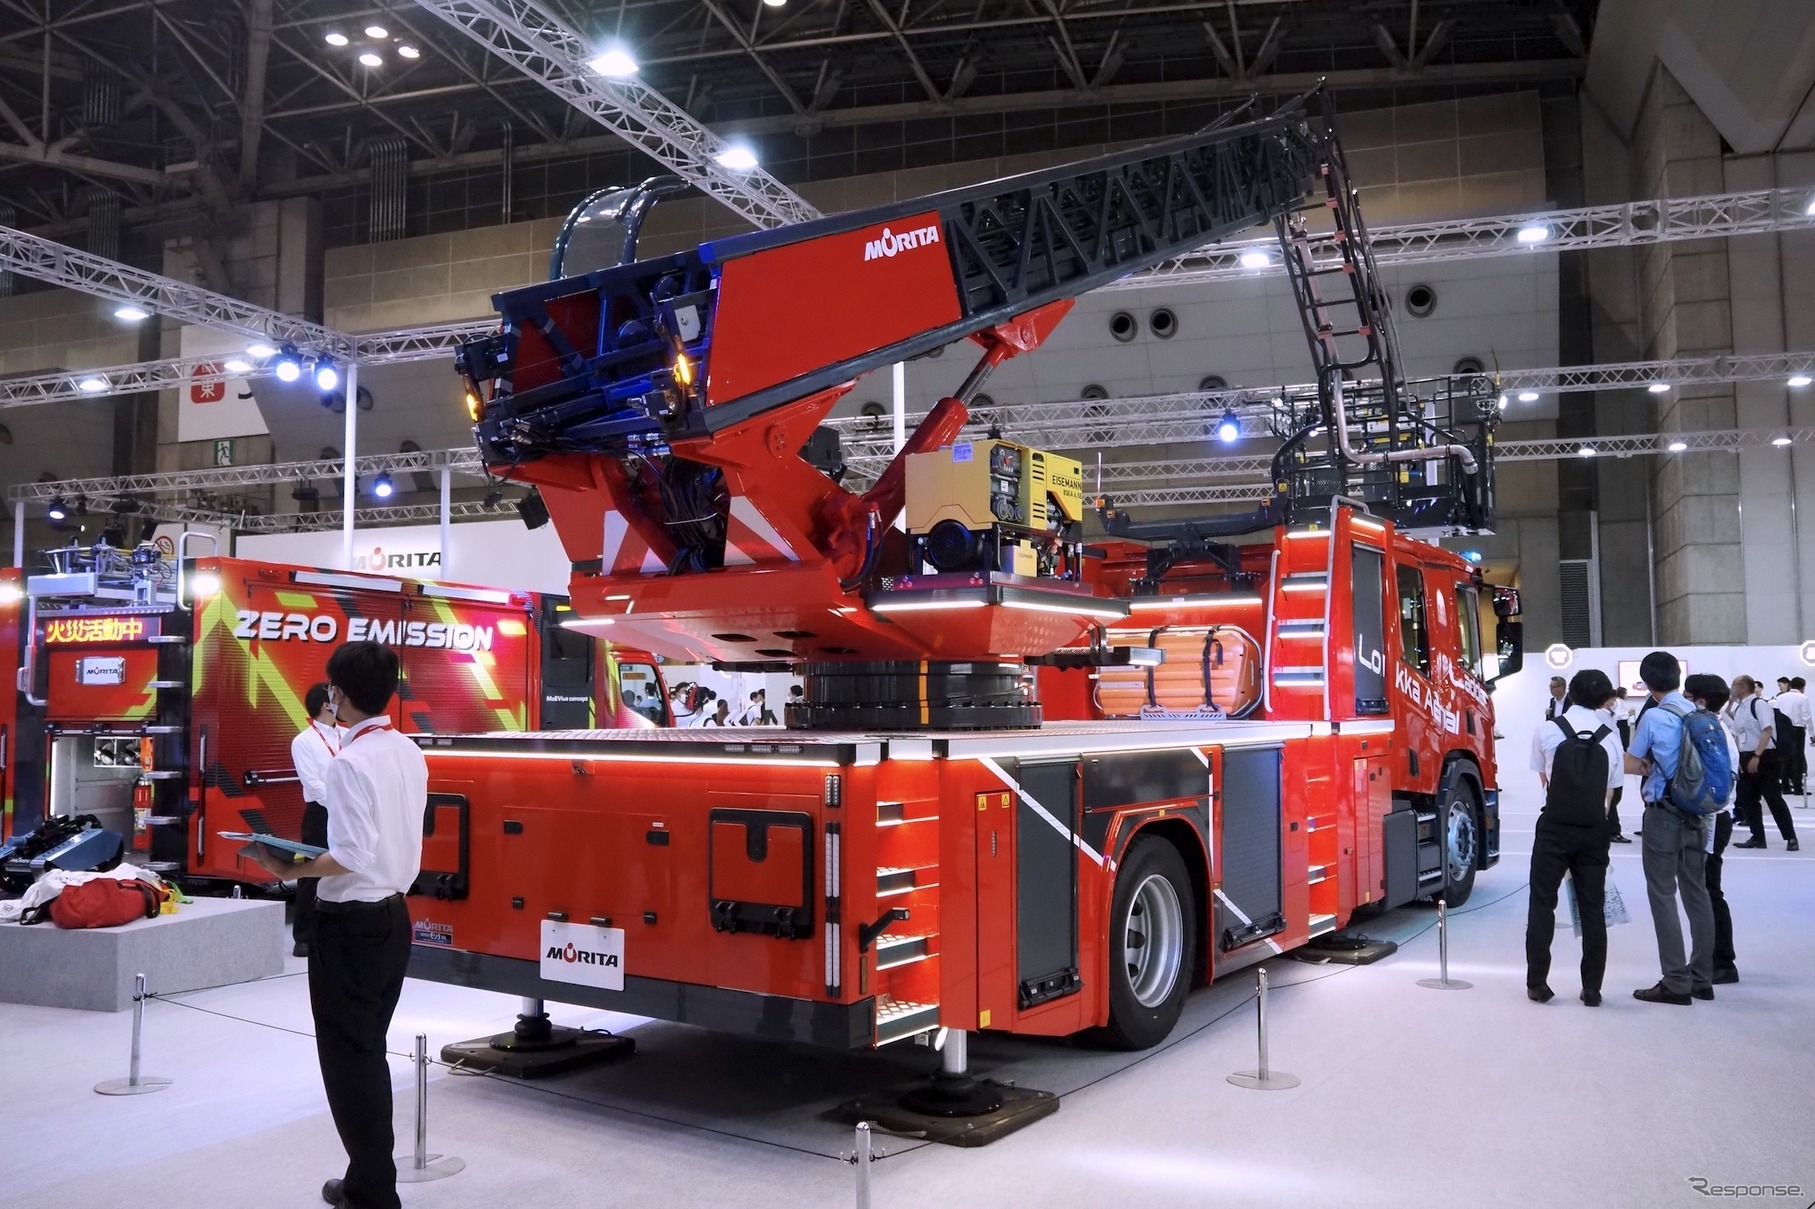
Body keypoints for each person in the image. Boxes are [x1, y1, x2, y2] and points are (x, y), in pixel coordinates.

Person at [247, 642, 427, 1209]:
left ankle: (372, 1192)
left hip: (349, 925)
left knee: (350, 1062)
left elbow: (348, 854)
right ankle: (366, 1179)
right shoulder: (407, 750)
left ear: (337, 694)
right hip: (394, 916)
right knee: (366, 1052)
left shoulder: (350, 762)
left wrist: (285, 865)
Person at [1623, 650, 1716, 1005]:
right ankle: (1702, 977)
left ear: (1647, 684)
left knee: (1662, 893)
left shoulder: (1655, 718)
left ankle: (1676, 980)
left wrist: (1647, 768)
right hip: (1699, 812)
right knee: (1697, 891)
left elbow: (1631, 763)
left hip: (1663, 812)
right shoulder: (1701, 714)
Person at [1527, 668, 1624, 1006]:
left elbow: (1544, 778)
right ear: (1605, 699)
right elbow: (1610, 793)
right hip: (1593, 829)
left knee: (1542, 903)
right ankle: (1592, 988)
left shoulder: (1548, 730)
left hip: (1554, 826)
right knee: (1592, 908)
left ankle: (1537, 983)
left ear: (1572, 694)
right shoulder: (1611, 736)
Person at [1684, 673, 1741, 986]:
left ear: (1700, 701)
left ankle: (1720, 960)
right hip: (1717, 817)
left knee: (1707, 891)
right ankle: (1712, 957)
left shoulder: (1709, 731)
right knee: (1705, 890)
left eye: (1687, 696)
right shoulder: (1717, 728)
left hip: (1712, 819)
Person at [288, 683, 341, 958]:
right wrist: (342, 804)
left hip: (349, 812)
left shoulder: (348, 735)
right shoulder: (304, 741)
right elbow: (314, 785)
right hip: (321, 813)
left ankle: (338, 930)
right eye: (335, 696)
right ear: (325, 704)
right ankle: (304, 936)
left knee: (348, 868)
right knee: (313, 872)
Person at [1728, 675, 1798, 851]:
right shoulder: (1739, 708)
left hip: (1764, 755)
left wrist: (1757, 756)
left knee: (1773, 798)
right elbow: (1737, 733)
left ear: (1743, 686)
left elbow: (1767, 730)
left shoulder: (1759, 704)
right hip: (1746, 756)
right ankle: (1757, 837)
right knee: (1748, 799)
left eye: (1734, 685)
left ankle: (1790, 837)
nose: (1732, 688)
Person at [1606, 687, 1634, 843]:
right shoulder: (1603, 717)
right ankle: (1612, 830)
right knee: (1611, 796)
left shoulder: (1610, 715)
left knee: (1614, 796)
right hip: (1610, 763)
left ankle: (1612, 829)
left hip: (1617, 760)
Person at [1775, 676, 1810, 794]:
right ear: (1802, 686)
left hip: (1782, 730)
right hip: (1797, 729)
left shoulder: (1780, 698)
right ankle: (1797, 787)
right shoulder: (1803, 698)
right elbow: (1807, 717)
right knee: (1798, 758)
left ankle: (1785, 787)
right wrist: (1812, 734)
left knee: (1785, 758)